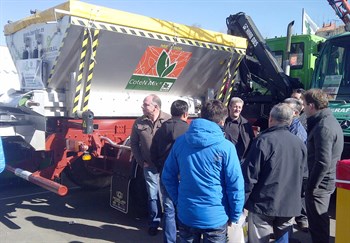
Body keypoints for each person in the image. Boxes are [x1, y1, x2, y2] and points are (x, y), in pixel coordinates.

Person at [162, 99, 245, 243]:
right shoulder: (226, 147)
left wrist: (178, 200)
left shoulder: (181, 142)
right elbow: (235, 185)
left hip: (187, 212)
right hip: (216, 216)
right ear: (221, 121)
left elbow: (167, 176)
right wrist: (235, 215)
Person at [242, 103, 307, 243]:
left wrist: (241, 201)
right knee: (284, 238)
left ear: (270, 118)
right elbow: (304, 175)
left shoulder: (263, 141)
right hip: (289, 204)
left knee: (259, 239)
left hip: (263, 203)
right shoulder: (299, 143)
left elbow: (250, 176)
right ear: (290, 120)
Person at [302, 89, 344, 243]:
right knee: (319, 223)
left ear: (312, 106)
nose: (303, 108)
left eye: (305, 105)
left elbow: (322, 161)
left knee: (318, 225)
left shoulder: (323, 127)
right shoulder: (326, 121)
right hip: (323, 182)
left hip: (320, 185)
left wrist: (312, 186)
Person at [130, 94, 171, 236]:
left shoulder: (168, 120)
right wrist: (141, 162)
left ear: (156, 107)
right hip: (149, 167)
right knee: (152, 195)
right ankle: (154, 222)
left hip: (166, 167)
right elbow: (134, 144)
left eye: (145, 104)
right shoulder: (139, 122)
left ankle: (168, 223)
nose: (142, 107)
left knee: (166, 195)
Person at [151, 100, 189, 243]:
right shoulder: (188, 131)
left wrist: (161, 167)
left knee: (169, 210)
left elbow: (153, 152)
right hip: (184, 176)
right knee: (184, 208)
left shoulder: (161, 130)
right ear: (185, 114)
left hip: (166, 175)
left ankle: (169, 240)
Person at [284, 98, 308, 231]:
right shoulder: (289, 127)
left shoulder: (297, 132)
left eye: (286, 108)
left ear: (294, 113)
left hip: (296, 172)